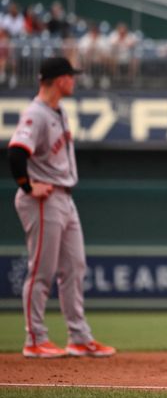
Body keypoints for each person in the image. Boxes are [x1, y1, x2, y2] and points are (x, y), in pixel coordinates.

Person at [8, 56, 115, 358]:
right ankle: (35, 339)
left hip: (65, 197)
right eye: (71, 76)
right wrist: (28, 186)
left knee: (74, 267)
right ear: (60, 80)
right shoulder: (36, 114)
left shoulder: (59, 111)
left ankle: (79, 337)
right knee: (42, 270)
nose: (74, 80)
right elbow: (17, 152)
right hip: (43, 198)